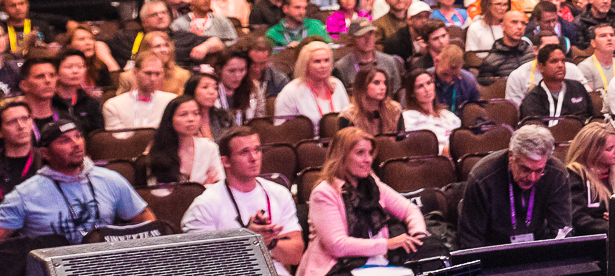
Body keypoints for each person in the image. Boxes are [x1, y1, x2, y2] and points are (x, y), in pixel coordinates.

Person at [0, 117, 155, 243]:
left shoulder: (109, 179)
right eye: (64, 140)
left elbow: (145, 218)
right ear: (46, 153)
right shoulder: (25, 194)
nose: (76, 144)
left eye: (78, 136)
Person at [301, 128, 431, 276]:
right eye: (360, 153)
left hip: (377, 264)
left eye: (370, 153)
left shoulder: (373, 185)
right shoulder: (324, 193)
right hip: (336, 268)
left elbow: (410, 210)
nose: (368, 159)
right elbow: (338, 246)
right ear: (342, 156)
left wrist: (418, 234)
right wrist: (388, 244)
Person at [181, 127, 306, 275]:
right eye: (244, 152)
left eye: (257, 150)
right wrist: (247, 241)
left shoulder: (279, 193)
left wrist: (269, 243)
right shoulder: (204, 206)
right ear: (226, 161)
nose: (254, 157)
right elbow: (201, 265)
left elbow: (296, 255)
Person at [457, 125, 576, 249]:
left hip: (537, 249)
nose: (532, 177)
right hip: (493, 250)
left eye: (539, 170)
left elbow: (562, 231)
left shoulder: (557, 174)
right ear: (511, 156)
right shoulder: (482, 178)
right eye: (525, 169)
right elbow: (471, 240)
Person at [563, 121, 615, 235]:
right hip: (590, 241)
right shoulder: (576, 175)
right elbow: (579, 220)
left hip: (614, 235)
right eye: (610, 148)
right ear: (592, 152)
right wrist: (614, 226)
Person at [146, 95, 223, 184]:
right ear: (170, 119)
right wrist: (202, 188)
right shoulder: (157, 148)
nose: (191, 119)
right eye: (183, 114)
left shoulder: (209, 147)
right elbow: (155, 191)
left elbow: (219, 182)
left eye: (196, 113)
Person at [276, 41, 353, 126]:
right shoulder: (291, 92)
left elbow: (348, 120)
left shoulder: (337, 85)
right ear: (306, 65)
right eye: (317, 61)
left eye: (326, 60)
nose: (323, 65)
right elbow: (281, 130)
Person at [519, 43, 596, 120]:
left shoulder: (578, 88)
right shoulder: (533, 99)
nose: (560, 65)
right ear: (541, 67)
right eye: (554, 61)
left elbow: (591, 117)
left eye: (563, 61)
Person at [103, 52, 179, 129]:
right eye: (148, 73)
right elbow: (117, 139)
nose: (153, 79)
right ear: (135, 72)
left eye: (157, 74)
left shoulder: (172, 102)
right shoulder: (114, 105)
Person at [401, 70, 461, 153]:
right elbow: (416, 147)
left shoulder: (448, 115)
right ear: (412, 93)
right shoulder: (408, 117)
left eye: (429, 83)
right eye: (420, 86)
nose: (427, 89)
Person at [346, 66, 404, 137]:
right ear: (363, 86)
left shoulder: (395, 110)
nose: (383, 87)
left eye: (384, 83)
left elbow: (401, 142)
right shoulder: (349, 115)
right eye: (376, 83)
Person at [0, 101, 41, 196]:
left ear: (32, 122)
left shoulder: (47, 160)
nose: (21, 126)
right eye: (12, 122)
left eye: (25, 119)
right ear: (1, 131)